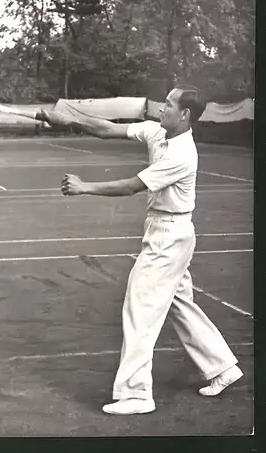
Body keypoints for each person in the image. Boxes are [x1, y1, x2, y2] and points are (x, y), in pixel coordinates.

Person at [36, 84, 244, 415]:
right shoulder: (155, 131)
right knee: (178, 303)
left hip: (170, 236)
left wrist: (83, 187)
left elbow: (132, 186)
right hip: (162, 231)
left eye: (170, 105)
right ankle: (222, 367)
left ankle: (136, 394)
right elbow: (106, 129)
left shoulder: (182, 154)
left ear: (185, 115)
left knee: (140, 308)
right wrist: (67, 120)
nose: (162, 109)